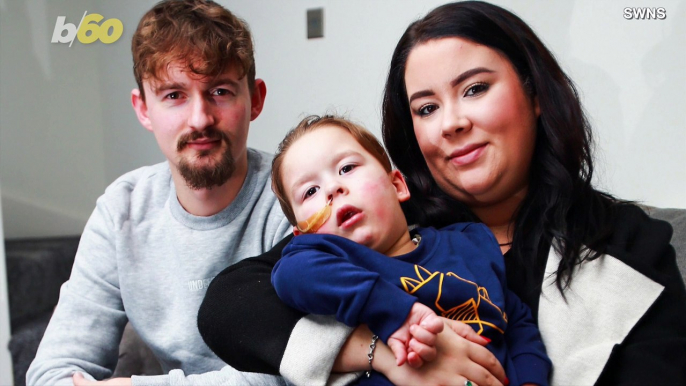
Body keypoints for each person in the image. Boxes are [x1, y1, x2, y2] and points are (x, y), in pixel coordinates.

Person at [199, 1, 686, 385]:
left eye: (475, 89)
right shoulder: (382, 228)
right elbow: (230, 305)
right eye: (426, 108)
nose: (452, 123)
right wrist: (383, 352)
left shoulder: (627, 243)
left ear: (534, 94)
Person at [26, 1, 293, 385]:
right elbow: (51, 372)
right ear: (143, 109)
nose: (200, 119)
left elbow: (304, 370)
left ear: (255, 99)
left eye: (219, 90)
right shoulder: (123, 210)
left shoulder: (296, 196)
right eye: (173, 95)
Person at [269, 115, 551, 385]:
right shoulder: (323, 268)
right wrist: (391, 311)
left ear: (397, 185)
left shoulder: (469, 243)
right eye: (310, 191)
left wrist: (529, 380)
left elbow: (515, 321)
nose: (332, 188)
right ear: (302, 235)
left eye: (347, 168)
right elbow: (289, 273)